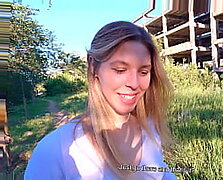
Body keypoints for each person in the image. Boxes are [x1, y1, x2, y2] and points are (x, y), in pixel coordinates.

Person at [24, 21, 178, 180]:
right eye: (120, 70)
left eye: (144, 72)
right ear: (93, 67)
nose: (134, 83)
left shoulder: (150, 128)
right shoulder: (53, 150)